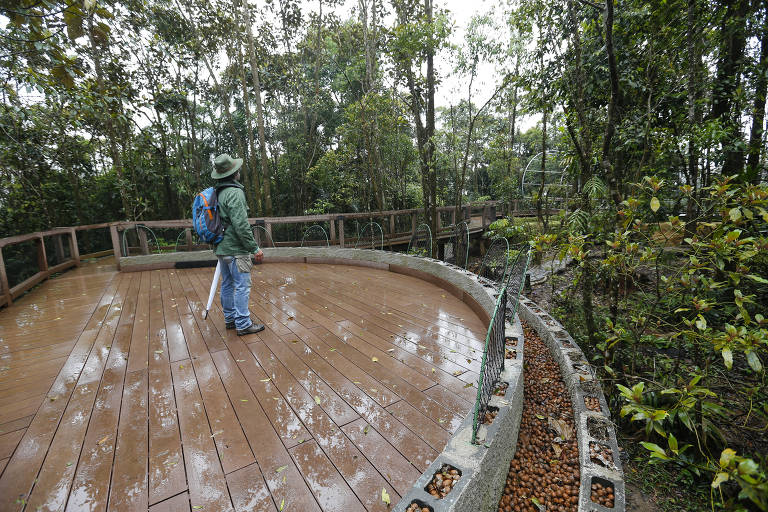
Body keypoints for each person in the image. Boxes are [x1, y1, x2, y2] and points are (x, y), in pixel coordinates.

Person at [210, 153, 265, 335]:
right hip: (235, 249)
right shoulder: (235, 192)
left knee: (227, 283)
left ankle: (231, 319)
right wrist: (254, 248)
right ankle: (243, 323)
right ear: (234, 173)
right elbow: (241, 225)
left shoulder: (217, 192)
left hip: (221, 248)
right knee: (242, 285)